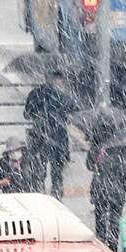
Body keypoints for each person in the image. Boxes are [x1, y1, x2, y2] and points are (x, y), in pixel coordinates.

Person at [22, 69, 74, 198]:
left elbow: (26, 114)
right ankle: (56, 195)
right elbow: (71, 116)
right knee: (57, 171)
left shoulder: (35, 93)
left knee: (40, 168)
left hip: (40, 135)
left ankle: (39, 193)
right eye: (60, 79)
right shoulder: (64, 97)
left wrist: (38, 115)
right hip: (58, 137)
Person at [88, 143, 126, 250]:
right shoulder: (123, 150)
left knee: (100, 218)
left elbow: (89, 166)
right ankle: (113, 246)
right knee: (115, 219)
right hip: (118, 190)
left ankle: (101, 243)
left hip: (100, 189)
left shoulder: (97, 147)